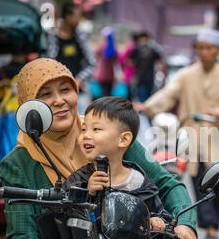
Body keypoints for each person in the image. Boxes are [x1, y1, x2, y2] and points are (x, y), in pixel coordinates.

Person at [0, 58, 198, 239]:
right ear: (29, 106)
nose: (59, 100)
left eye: (66, 90)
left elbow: (166, 183)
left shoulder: (109, 134)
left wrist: (185, 225)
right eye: (44, 95)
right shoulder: (18, 163)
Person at [134, 27, 219, 239]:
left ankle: (212, 227)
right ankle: (210, 228)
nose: (204, 52)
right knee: (199, 184)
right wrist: (148, 106)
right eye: (200, 47)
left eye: (209, 48)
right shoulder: (185, 75)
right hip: (192, 139)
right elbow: (168, 94)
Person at [63, 96, 170, 232]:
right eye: (83, 129)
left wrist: (155, 220)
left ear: (123, 139)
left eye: (96, 129)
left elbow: (160, 214)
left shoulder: (140, 182)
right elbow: (63, 215)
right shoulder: (79, 179)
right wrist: (87, 193)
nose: (85, 135)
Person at [45, 2, 95, 91]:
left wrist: (79, 79)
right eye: (78, 16)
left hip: (79, 91)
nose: (80, 20)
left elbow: (92, 63)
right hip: (56, 89)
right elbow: (48, 62)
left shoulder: (81, 37)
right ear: (67, 17)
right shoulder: (52, 36)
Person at [129, 31, 163, 102]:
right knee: (145, 96)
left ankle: (143, 110)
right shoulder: (151, 50)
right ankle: (144, 110)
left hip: (144, 77)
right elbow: (160, 63)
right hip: (144, 77)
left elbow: (129, 62)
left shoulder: (137, 50)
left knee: (143, 96)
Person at [92, 27, 118, 99]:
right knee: (108, 95)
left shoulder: (101, 48)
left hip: (101, 75)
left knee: (102, 95)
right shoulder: (114, 49)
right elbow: (116, 62)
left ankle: (103, 109)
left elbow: (94, 56)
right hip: (110, 75)